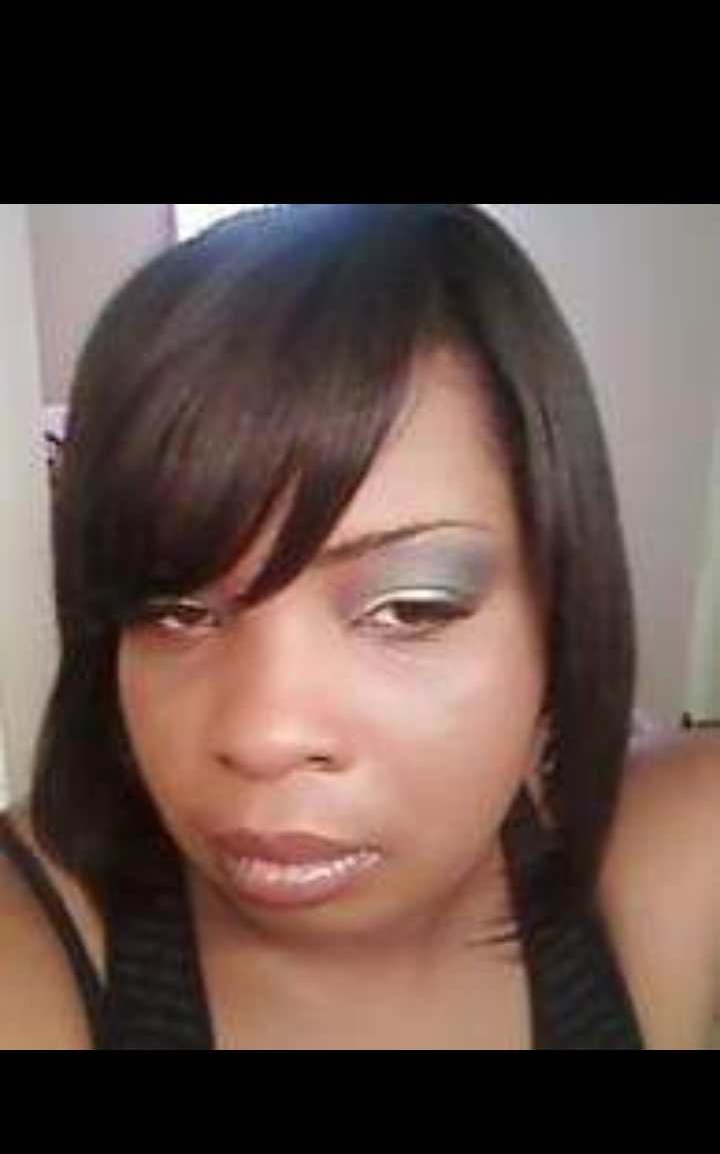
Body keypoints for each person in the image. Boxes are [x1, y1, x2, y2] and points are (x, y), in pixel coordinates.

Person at [1, 203, 718, 1049]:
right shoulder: (32, 944)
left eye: (409, 608)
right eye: (176, 612)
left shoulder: (679, 850)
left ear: (558, 608)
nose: (263, 736)